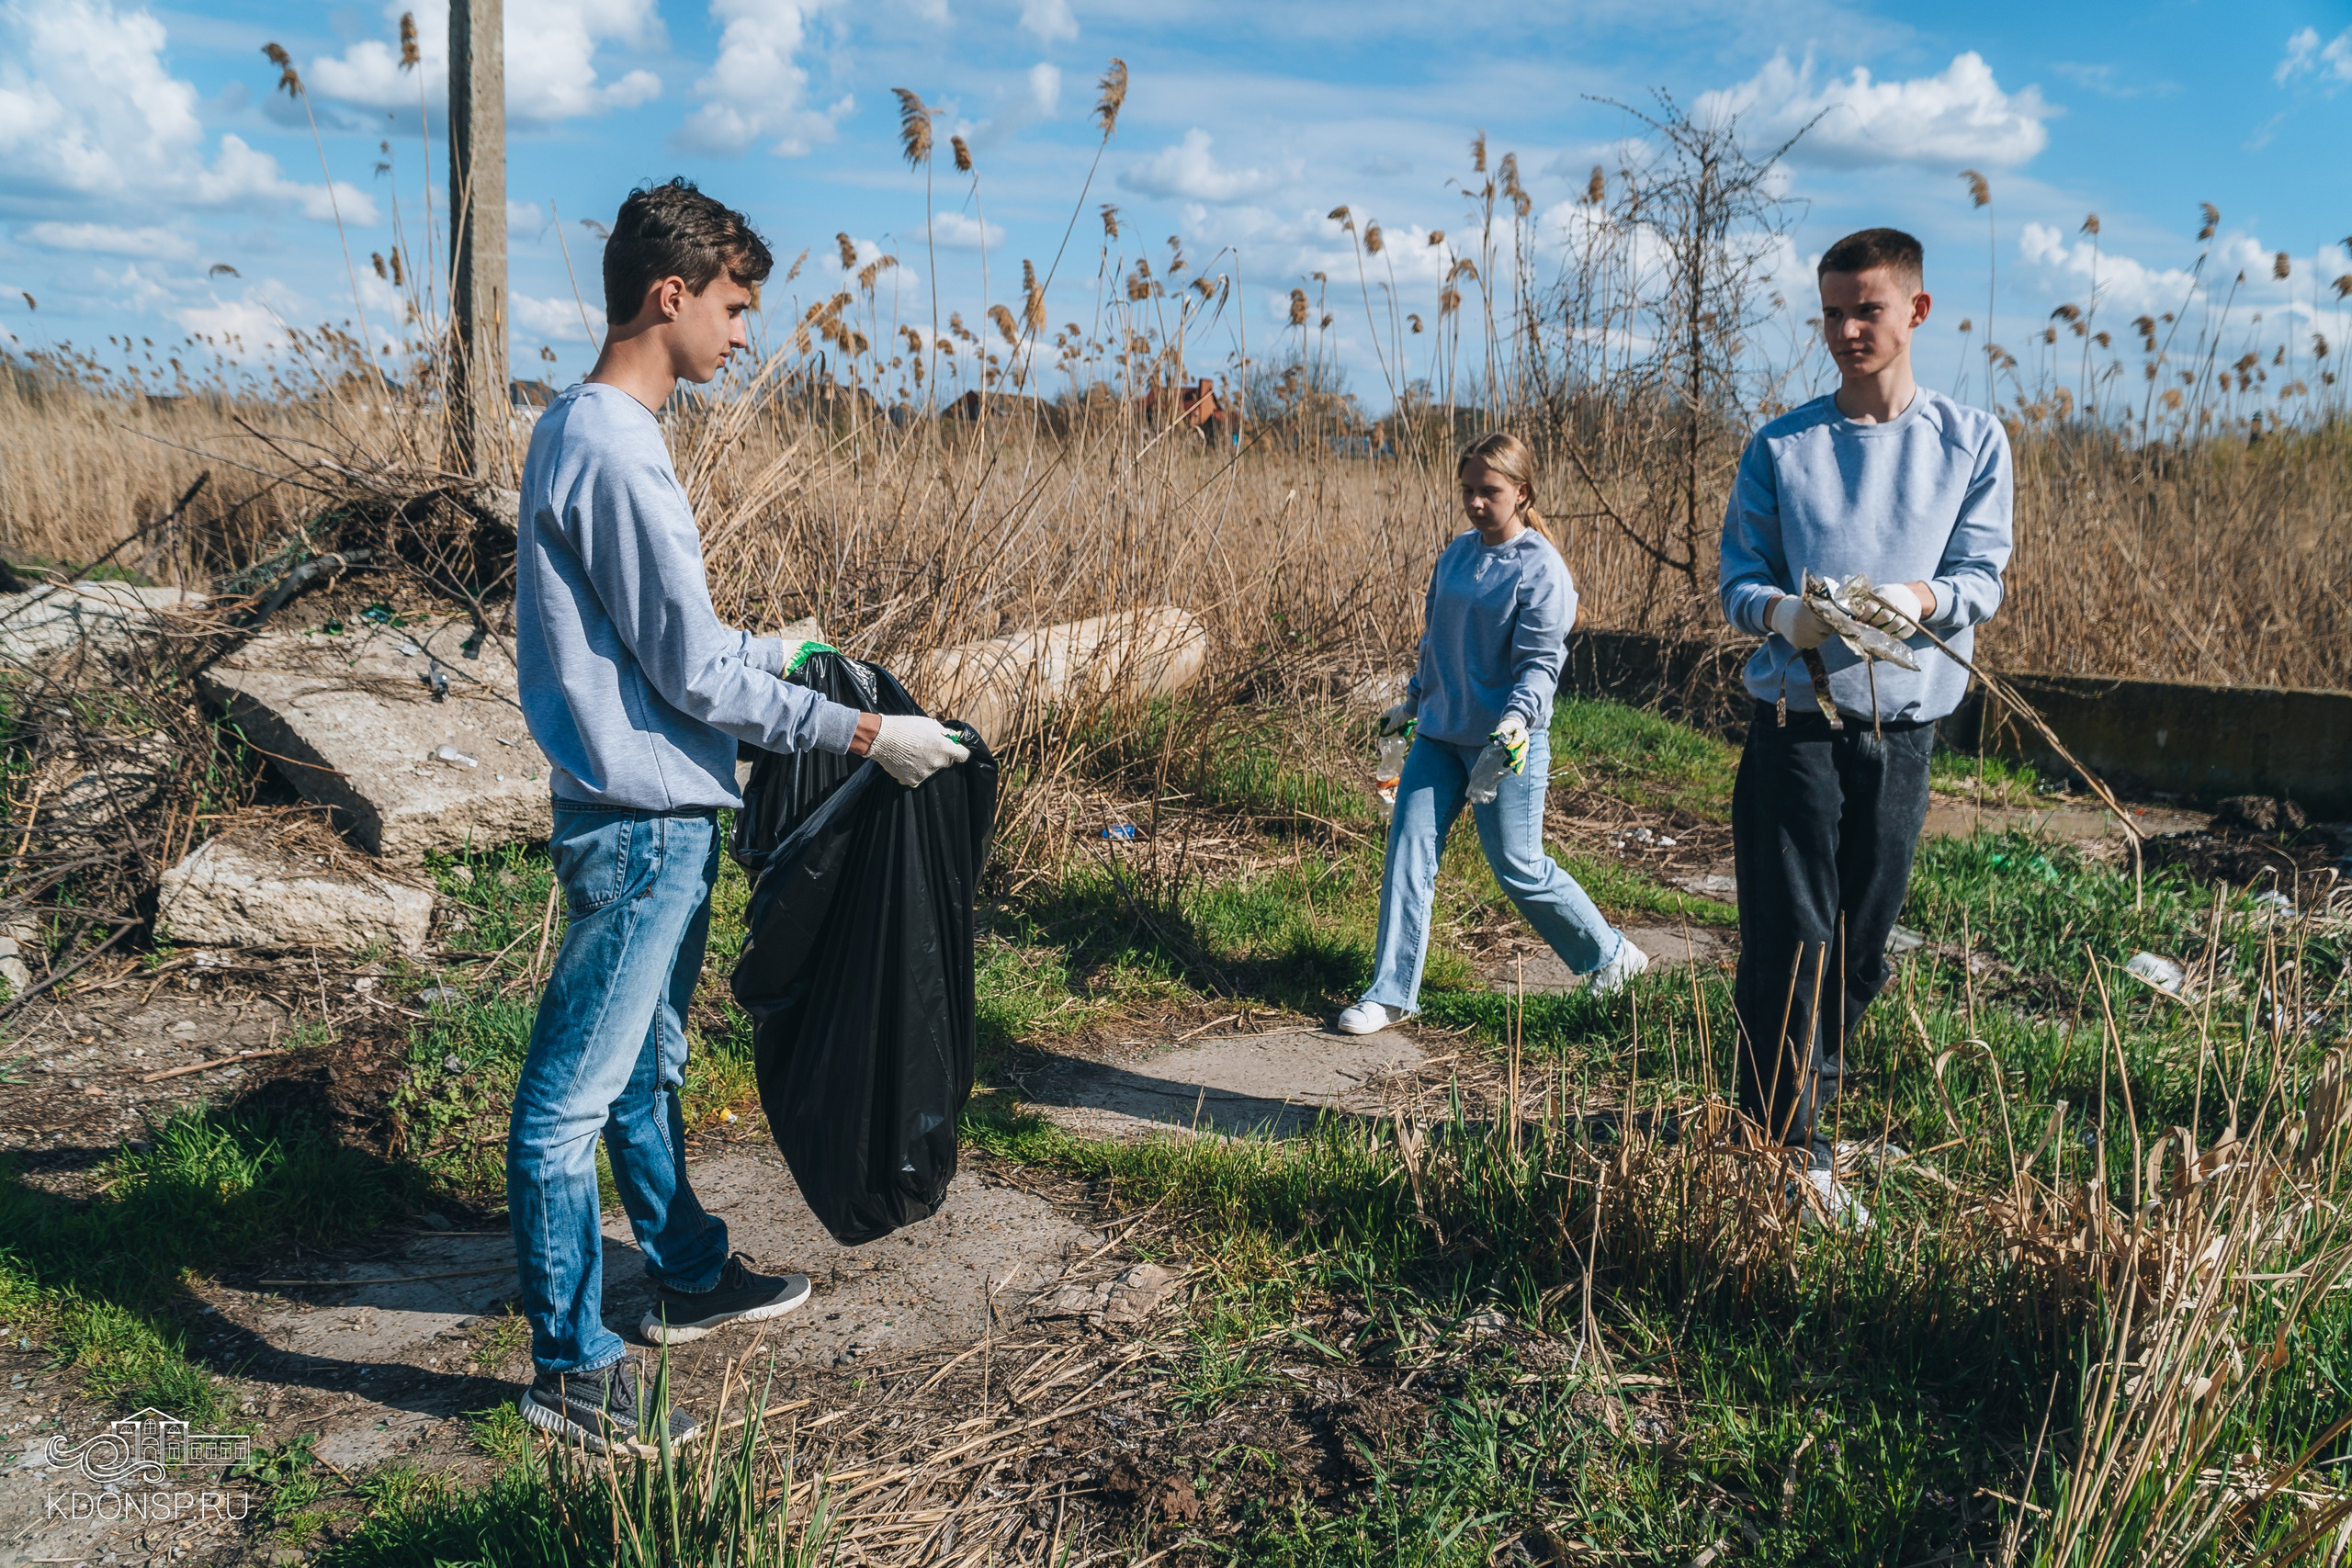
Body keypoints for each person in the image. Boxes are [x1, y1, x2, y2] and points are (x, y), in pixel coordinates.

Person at [506, 178, 971, 1455]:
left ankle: (690, 1270)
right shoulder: (617, 446)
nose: (745, 333)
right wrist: (865, 734)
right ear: (672, 295)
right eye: (735, 306)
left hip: (639, 807)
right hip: (643, 820)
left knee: (643, 1065)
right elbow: (695, 677)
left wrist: (783, 645)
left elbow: (664, 645)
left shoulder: (575, 427)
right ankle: (569, 1363)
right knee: (570, 1097)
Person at [1717, 227, 2013, 1228]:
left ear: (1916, 311)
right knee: (1790, 939)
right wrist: (1781, 615)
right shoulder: (1782, 445)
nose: (1847, 330)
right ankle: (1787, 1149)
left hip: (1905, 724)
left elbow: (1981, 575)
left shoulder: (1970, 441)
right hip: (1796, 721)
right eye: (1833, 313)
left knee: (1861, 946)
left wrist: (1919, 600)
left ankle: (1796, 1106)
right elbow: (1738, 579)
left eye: (1867, 310)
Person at [1337, 433, 1648, 1037]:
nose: (1476, 503)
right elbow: (1435, 642)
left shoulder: (1541, 568)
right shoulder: (1455, 556)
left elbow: (1540, 664)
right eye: (1468, 491)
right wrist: (1412, 700)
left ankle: (1612, 956)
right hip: (1438, 736)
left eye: (1490, 491)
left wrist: (1516, 719)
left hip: (1505, 746)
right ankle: (1390, 994)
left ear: (1522, 493)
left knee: (1518, 866)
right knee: (1407, 850)